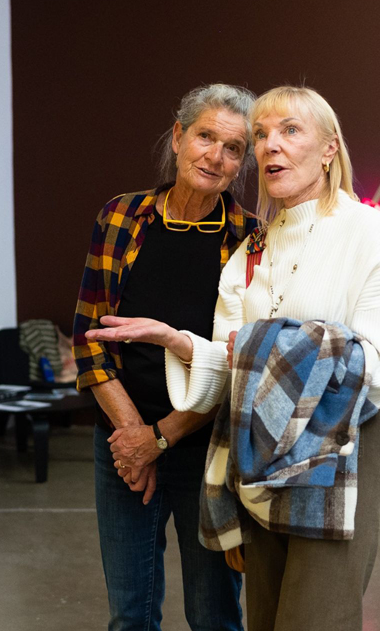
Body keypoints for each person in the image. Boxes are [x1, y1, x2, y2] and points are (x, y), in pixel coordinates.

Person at [86, 86, 380, 631]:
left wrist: (259, 351)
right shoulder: (254, 248)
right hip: (257, 448)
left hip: (333, 447)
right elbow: (230, 368)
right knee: (262, 615)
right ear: (178, 137)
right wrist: (180, 342)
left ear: (329, 148)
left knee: (315, 618)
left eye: (289, 130)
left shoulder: (365, 231)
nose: (270, 146)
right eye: (261, 135)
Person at [72, 84, 256, 631]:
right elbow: (89, 337)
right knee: (129, 615)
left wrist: (160, 439)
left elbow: (236, 366)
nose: (215, 156)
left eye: (233, 148)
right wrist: (133, 436)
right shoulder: (121, 217)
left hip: (207, 449)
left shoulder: (250, 238)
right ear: (178, 137)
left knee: (214, 615)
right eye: (205, 137)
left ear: (242, 162)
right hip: (120, 441)